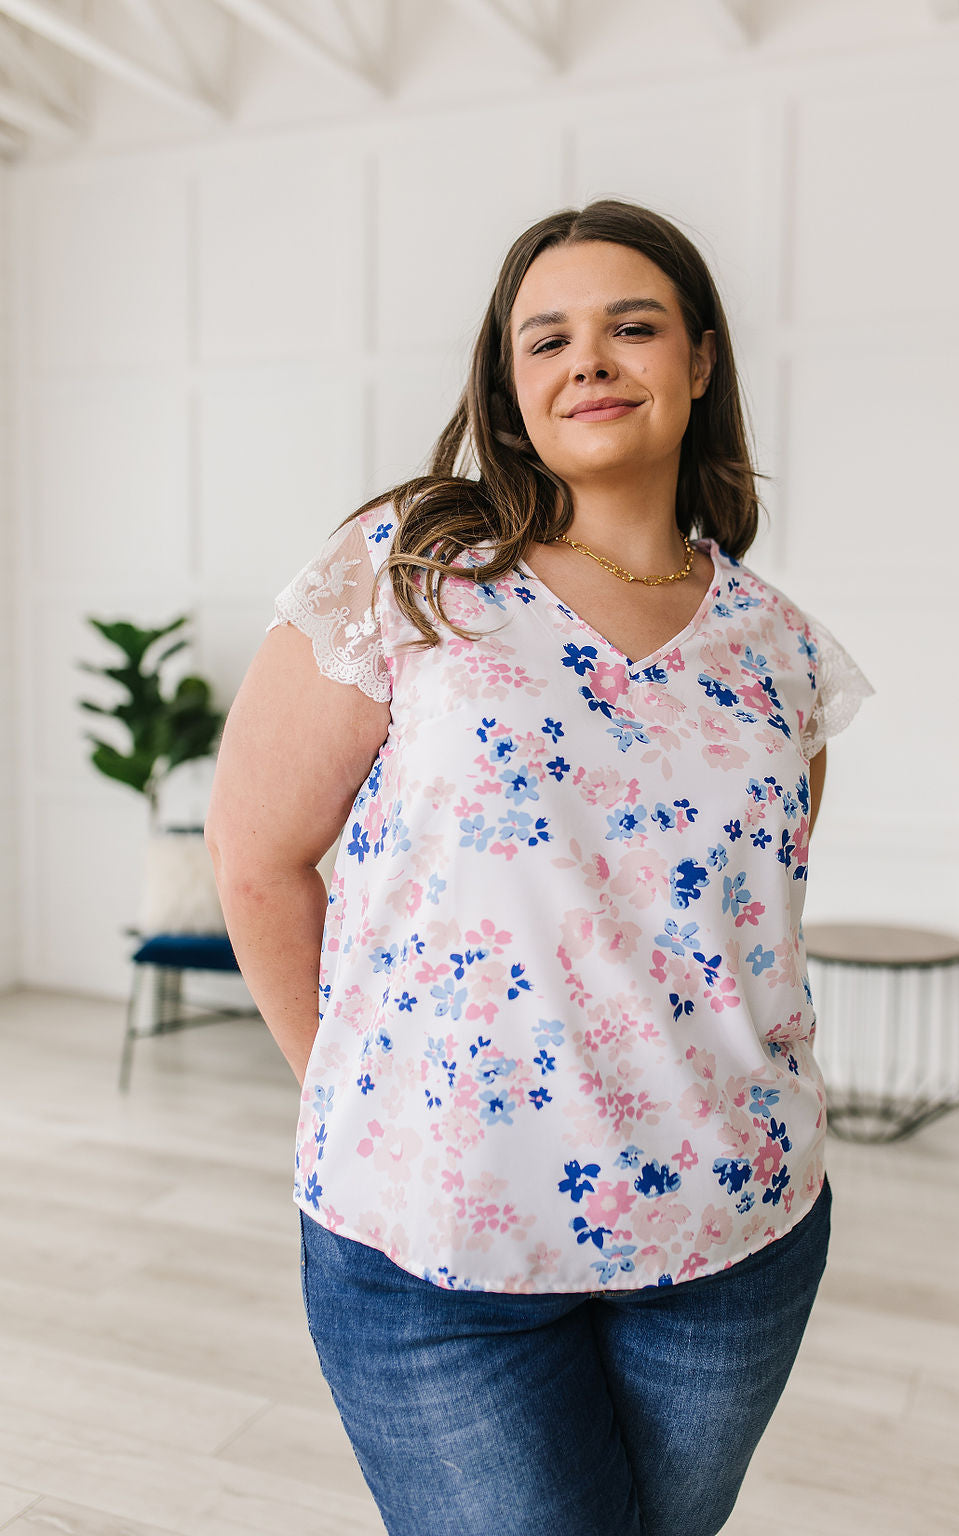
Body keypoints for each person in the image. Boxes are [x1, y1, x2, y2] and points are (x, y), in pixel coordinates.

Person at [205, 198, 875, 1536]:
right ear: (508, 389)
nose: (590, 362)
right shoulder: (409, 572)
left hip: (733, 1239)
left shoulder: (782, 652)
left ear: (699, 359)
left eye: (633, 327)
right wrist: (359, 1100)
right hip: (436, 1246)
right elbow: (256, 856)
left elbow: (744, 934)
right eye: (547, 339)